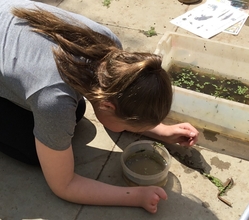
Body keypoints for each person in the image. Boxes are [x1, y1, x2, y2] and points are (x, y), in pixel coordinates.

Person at [0, 0, 199, 214]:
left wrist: (161, 130)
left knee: (71, 116)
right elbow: (64, 185)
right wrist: (136, 197)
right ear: (108, 105)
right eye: (131, 125)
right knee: (34, 149)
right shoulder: (54, 100)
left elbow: (116, 113)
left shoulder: (112, 49)